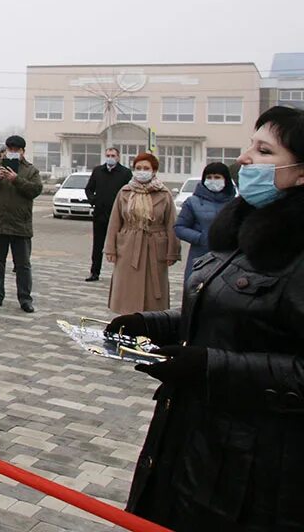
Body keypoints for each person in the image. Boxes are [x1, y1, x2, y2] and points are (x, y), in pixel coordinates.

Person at [107, 106, 304, 530]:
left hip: (256, 465)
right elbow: (225, 315)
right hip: (188, 435)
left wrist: (209, 366)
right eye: (251, 144)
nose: (245, 158)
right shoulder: (243, 229)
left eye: (264, 150)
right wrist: (151, 323)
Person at [104, 152, 179, 315]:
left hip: (155, 245)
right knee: (126, 289)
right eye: (138, 168)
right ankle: (128, 321)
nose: (141, 171)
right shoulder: (125, 192)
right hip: (128, 245)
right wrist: (110, 249)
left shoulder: (164, 194)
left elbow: (171, 224)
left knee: (153, 293)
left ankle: (151, 324)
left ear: (154, 170)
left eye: (146, 168)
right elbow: (115, 222)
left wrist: (172, 252)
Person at [0, 135, 43, 313]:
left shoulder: (31, 170)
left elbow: (35, 190)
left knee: (22, 265)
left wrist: (16, 179)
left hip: (20, 225)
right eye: (10, 149)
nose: (13, 153)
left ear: (23, 152)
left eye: (17, 150)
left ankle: (25, 298)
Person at [174, 162, 237, 291]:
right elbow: (179, 227)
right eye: (209, 177)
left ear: (226, 180)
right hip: (200, 257)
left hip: (228, 257)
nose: (213, 180)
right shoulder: (192, 202)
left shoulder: (235, 203)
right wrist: (200, 237)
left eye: (217, 177)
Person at [84, 146, 133, 282]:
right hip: (100, 214)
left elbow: (129, 193)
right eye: (108, 155)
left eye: (113, 156)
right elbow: (88, 189)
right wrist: (94, 201)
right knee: (98, 245)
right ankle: (95, 272)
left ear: (118, 157)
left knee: (119, 245)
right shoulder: (98, 171)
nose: (110, 158)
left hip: (118, 216)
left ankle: (120, 273)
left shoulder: (125, 173)